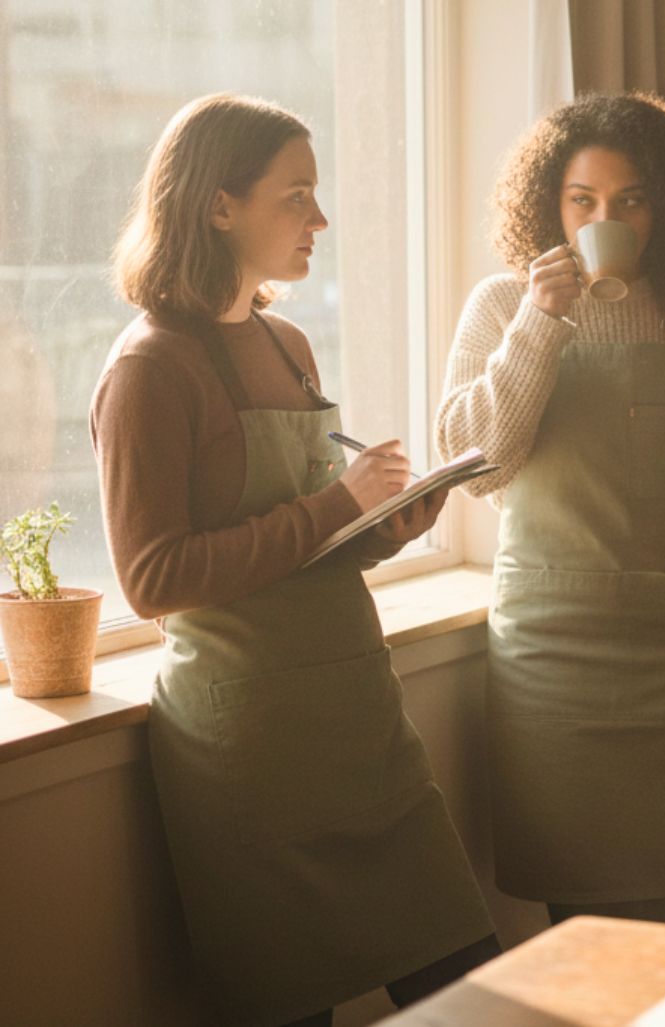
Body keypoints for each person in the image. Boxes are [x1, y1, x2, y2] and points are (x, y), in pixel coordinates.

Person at [92, 93, 497, 1026]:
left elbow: (302, 542)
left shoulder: (289, 342)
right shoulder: (148, 369)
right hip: (250, 748)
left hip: (356, 721)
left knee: (474, 988)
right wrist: (331, 506)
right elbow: (154, 579)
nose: (320, 221)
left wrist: (384, 523)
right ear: (218, 205)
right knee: (291, 1006)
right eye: (298, 196)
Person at [435, 92, 665, 929]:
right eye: (583, 200)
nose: (604, 217)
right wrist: (542, 321)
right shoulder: (501, 307)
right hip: (553, 659)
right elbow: (475, 465)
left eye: (630, 201)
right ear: (550, 203)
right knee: (578, 935)